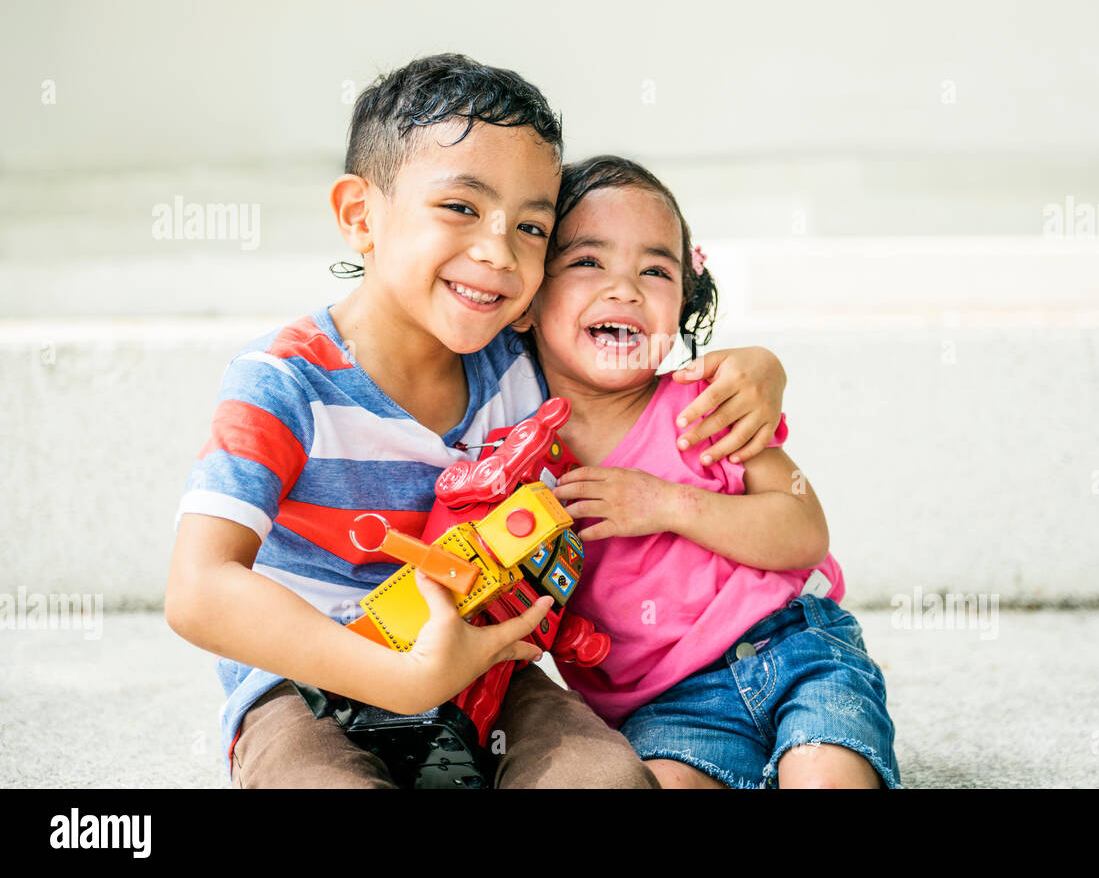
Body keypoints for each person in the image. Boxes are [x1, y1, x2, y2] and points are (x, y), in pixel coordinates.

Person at [164, 55, 788, 788]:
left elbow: (625, 361)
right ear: (361, 216)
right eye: (461, 208)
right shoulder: (283, 383)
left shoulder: (516, 369)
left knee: (608, 779)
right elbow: (198, 588)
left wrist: (756, 368)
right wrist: (405, 679)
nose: (497, 251)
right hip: (309, 689)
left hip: (491, 668)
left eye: (531, 226)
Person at [515, 155, 903, 789]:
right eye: (589, 262)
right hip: (665, 705)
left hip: (794, 649)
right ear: (527, 300)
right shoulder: (517, 449)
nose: (625, 289)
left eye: (655, 270)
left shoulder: (703, 406)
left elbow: (804, 528)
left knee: (827, 772)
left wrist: (669, 504)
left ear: (683, 307)